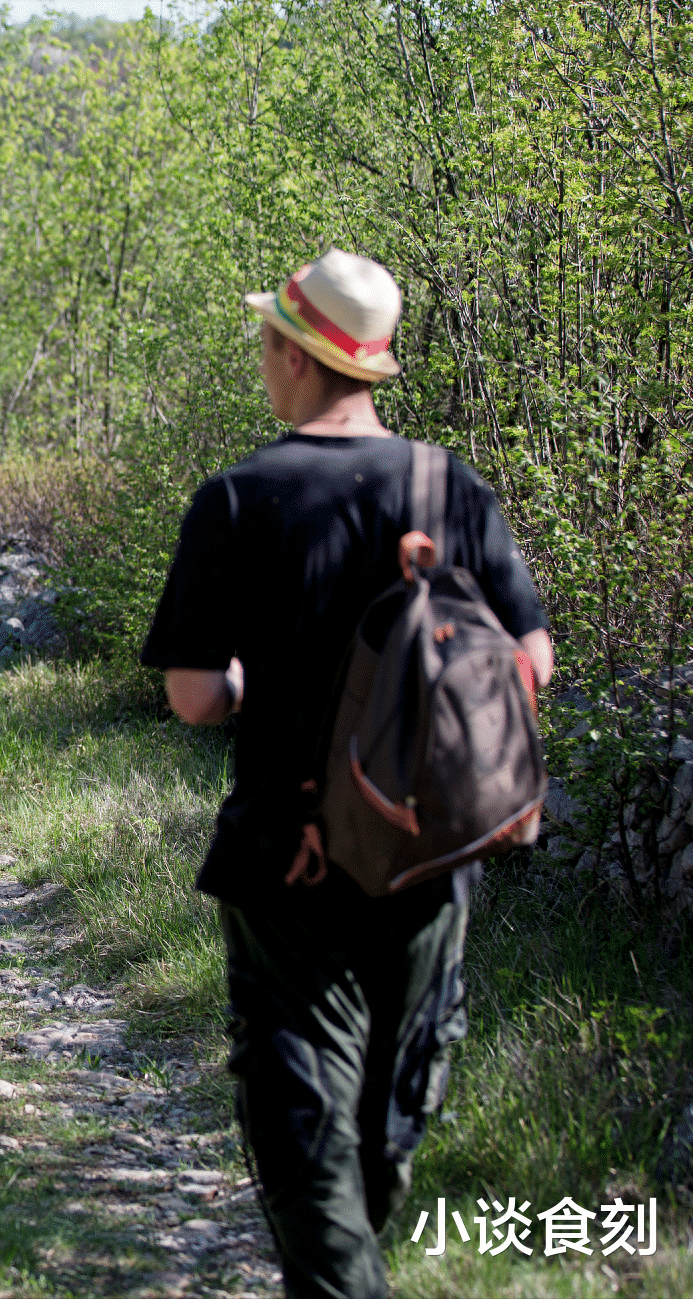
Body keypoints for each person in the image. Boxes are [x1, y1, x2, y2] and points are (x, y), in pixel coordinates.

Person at [139, 250, 554, 1299]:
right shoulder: (445, 485)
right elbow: (528, 663)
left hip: (288, 860)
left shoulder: (236, 499)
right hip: (425, 855)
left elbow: (191, 696)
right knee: (381, 1118)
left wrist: (247, 685)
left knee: (298, 1112)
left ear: (290, 352)